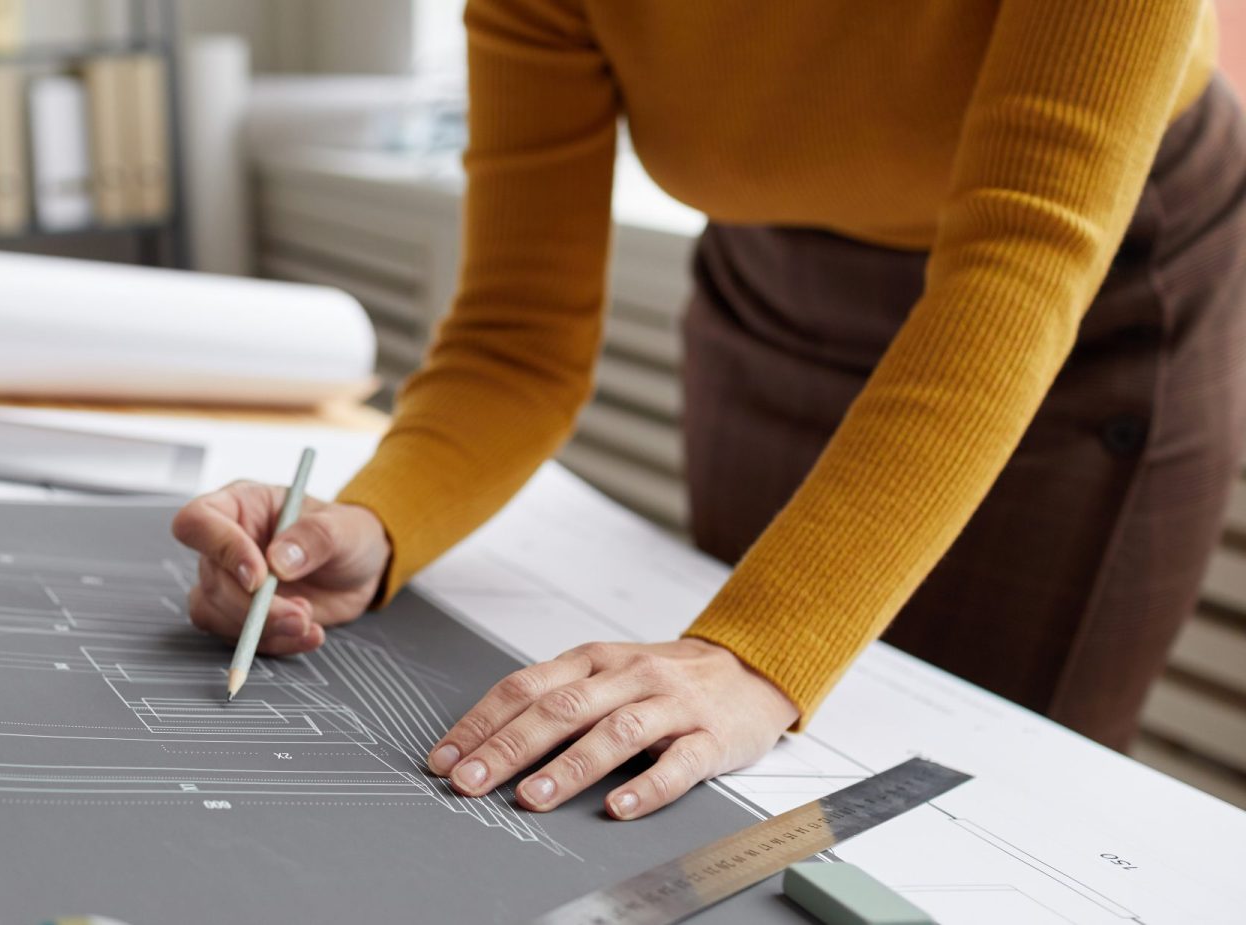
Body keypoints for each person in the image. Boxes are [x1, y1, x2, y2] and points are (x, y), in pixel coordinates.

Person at [173, 0, 1246, 822]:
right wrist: (370, 524)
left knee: (988, 794)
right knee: (741, 782)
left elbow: (1018, 267)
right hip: (772, 282)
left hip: (1092, 297)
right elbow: (517, 337)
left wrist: (759, 652)